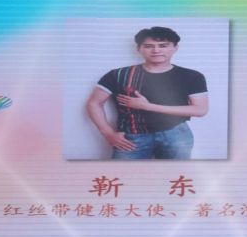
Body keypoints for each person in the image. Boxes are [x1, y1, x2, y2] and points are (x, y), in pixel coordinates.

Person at [86, 26, 209, 159]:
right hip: (132, 136)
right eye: (148, 46)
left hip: (176, 134)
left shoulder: (191, 76)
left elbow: (200, 110)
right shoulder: (118, 74)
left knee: (175, 171)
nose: (156, 50)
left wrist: (147, 106)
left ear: (175, 48)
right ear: (138, 49)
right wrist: (108, 133)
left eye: (163, 45)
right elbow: (94, 103)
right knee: (122, 172)